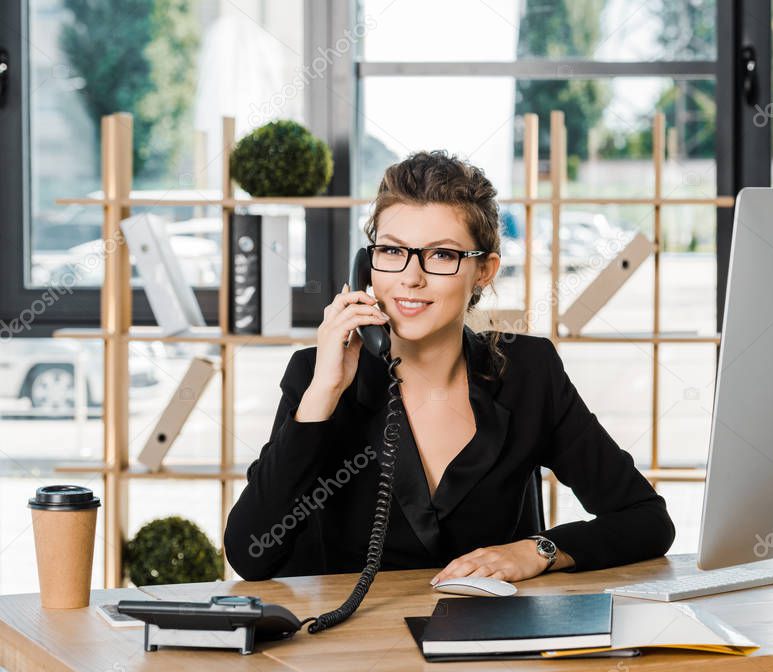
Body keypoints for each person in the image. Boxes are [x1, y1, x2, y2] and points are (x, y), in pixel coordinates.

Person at [224, 150, 675, 584]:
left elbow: (646, 520)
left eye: (442, 255)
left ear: (484, 271)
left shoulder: (528, 372)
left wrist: (538, 550)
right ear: (367, 265)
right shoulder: (315, 376)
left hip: (492, 648)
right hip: (356, 650)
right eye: (392, 251)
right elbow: (251, 554)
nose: (410, 277)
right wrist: (323, 394)